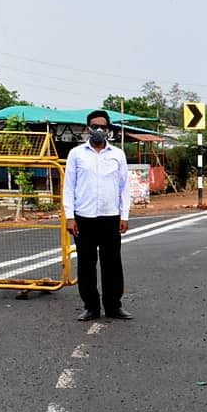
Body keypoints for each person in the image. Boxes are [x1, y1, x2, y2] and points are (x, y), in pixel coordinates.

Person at [63, 110, 132, 321]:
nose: (98, 130)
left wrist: (124, 215)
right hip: (84, 217)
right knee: (86, 264)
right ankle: (90, 307)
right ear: (87, 129)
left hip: (110, 217)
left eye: (103, 126)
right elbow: (69, 186)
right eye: (94, 126)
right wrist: (69, 216)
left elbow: (124, 188)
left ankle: (113, 306)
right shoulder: (76, 154)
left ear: (109, 129)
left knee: (112, 264)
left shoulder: (117, 155)